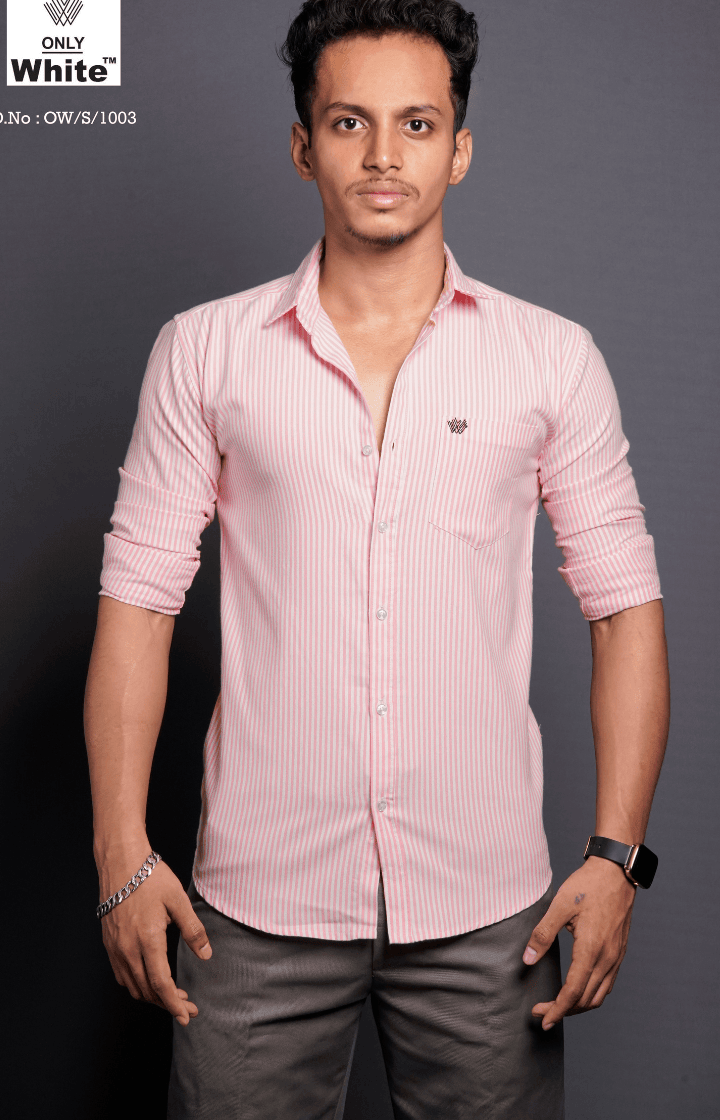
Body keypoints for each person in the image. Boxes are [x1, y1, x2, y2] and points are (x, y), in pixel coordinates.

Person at [84, 2, 670, 1117]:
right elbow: (138, 603)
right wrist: (121, 855)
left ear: (460, 147)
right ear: (303, 145)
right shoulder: (204, 351)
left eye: (417, 123)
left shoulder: (552, 360)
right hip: (252, 907)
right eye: (350, 122)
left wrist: (619, 857)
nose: (385, 155)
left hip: (488, 911)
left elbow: (624, 607)